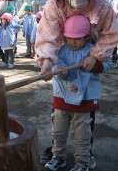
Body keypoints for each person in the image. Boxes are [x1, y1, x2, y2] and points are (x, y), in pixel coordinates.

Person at [35, 0, 118, 170]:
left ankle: (84, 156)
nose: (78, 1)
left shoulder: (101, 3)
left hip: (88, 62)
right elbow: (48, 35)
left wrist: (96, 56)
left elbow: (110, 32)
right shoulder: (56, 3)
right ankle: (57, 152)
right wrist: (47, 61)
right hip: (64, 65)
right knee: (59, 118)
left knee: (84, 122)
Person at [44, 15, 112, 171]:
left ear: (87, 36)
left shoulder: (94, 51)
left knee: (83, 135)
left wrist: (95, 63)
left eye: (77, 38)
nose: (73, 42)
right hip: (62, 99)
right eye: (69, 38)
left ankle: (82, 162)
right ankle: (58, 158)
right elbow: (55, 61)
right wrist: (59, 69)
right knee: (58, 132)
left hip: (84, 101)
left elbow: (107, 63)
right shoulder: (62, 49)